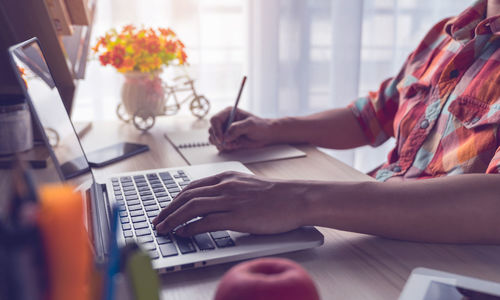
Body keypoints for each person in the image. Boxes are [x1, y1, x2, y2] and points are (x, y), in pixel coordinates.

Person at [154, 0, 500, 244]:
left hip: (431, 255)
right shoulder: (446, 35)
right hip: (362, 230)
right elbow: (370, 116)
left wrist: (300, 200)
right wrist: (272, 128)